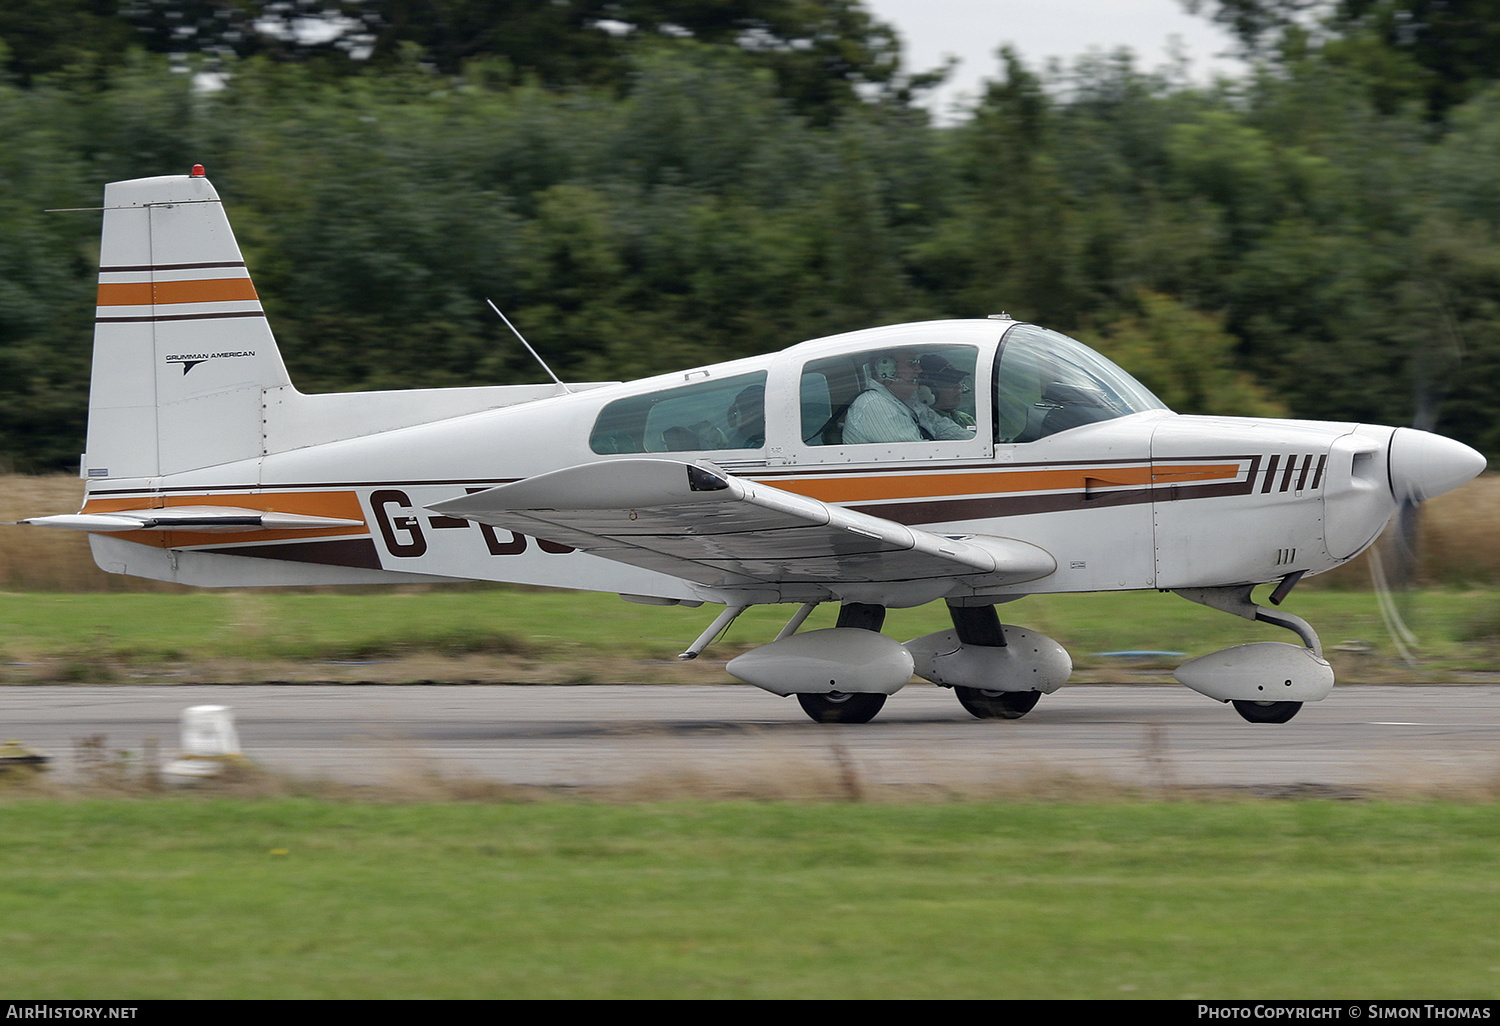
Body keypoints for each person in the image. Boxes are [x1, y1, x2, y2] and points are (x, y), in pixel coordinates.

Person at [842, 349, 971, 444]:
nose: (919, 370)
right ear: (885, 369)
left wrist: (979, 442)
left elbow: (942, 428)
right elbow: (916, 456)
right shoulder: (875, 405)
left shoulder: (908, 402)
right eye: (912, 363)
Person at [919, 355, 977, 429]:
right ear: (928, 390)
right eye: (949, 384)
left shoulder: (966, 419)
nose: (959, 386)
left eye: (958, 381)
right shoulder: (925, 424)